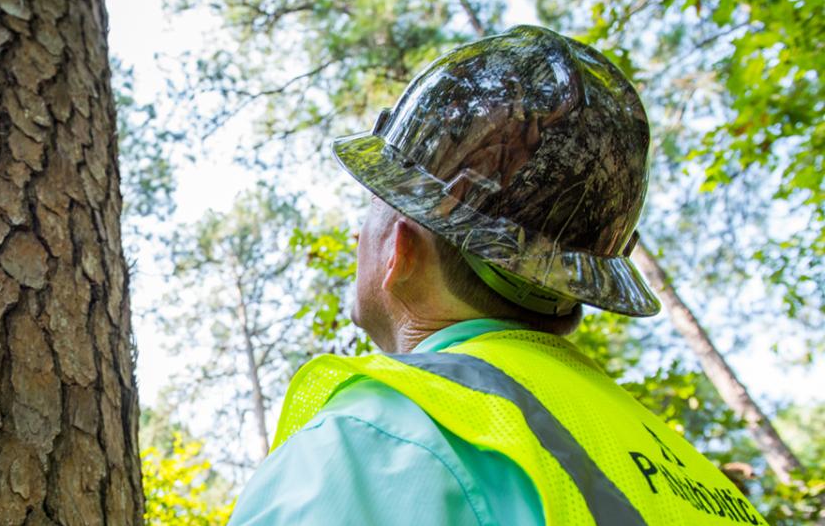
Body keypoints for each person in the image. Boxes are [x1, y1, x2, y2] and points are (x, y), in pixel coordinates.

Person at [229, 26, 768, 525]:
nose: (356, 240)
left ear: (401, 250)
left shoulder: (375, 442)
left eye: (370, 211)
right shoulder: (682, 467)